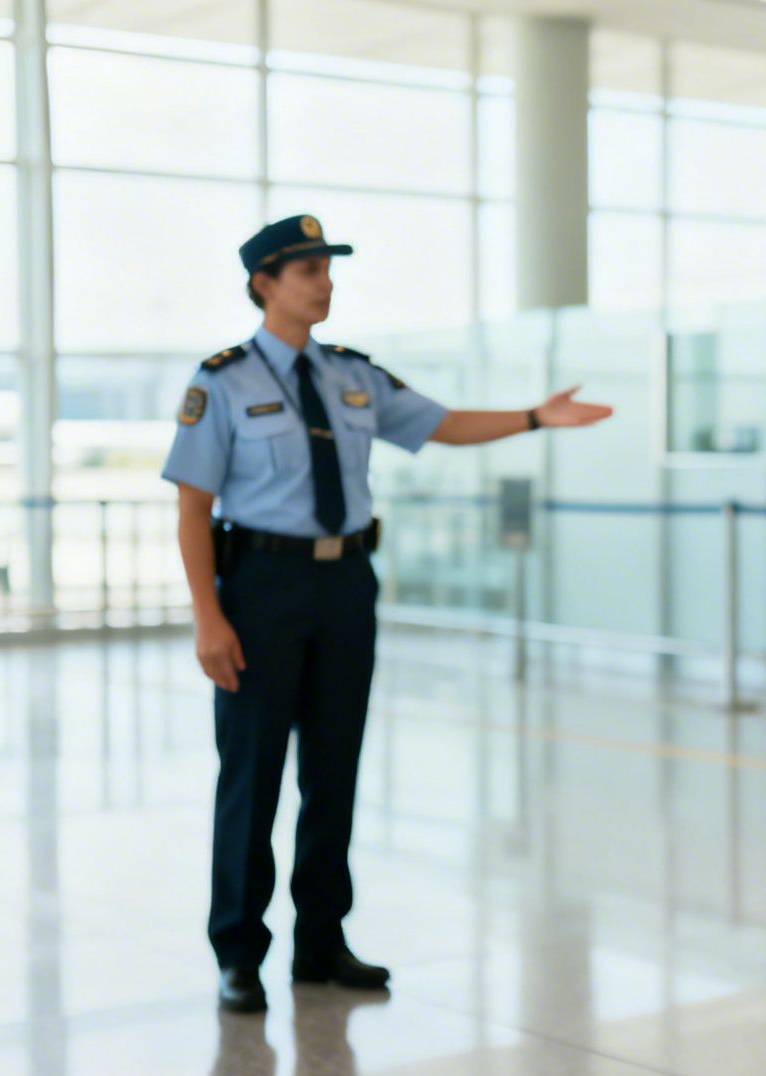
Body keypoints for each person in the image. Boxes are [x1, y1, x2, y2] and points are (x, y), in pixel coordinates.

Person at [165, 215, 613, 1014]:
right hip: (260, 589)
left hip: (346, 589)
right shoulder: (222, 382)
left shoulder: (354, 376)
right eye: (306, 270)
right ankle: (238, 951)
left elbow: (442, 425)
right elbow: (193, 509)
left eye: (327, 268)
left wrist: (536, 417)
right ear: (264, 282)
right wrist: (209, 616)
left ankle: (321, 943)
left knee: (334, 771)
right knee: (253, 777)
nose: (324, 282)